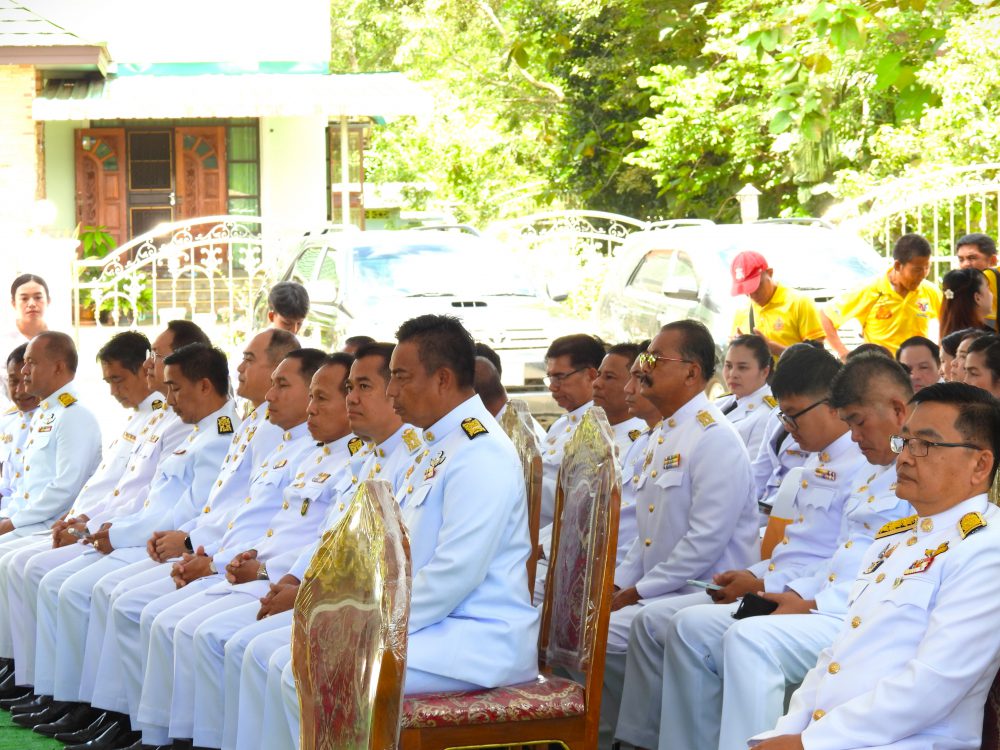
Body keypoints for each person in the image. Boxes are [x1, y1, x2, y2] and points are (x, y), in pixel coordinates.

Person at [254, 314, 539, 750]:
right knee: (288, 658)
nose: (391, 391)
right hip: (429, 626)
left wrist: (365, 624)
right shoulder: (436, 445)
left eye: (401, 377)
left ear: (442, 379)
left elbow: (453, 575)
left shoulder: (479, 452)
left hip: (476, 639)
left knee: (316, 670)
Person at [607, 345, 865, 749]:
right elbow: (795, 550)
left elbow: (845, 559)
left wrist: (780, 590)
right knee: (672, 625)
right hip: (781, 586)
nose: (788, 427)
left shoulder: (864, 464)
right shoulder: (818, 460)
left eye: (793, 415)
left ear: (832, 406)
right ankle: (662, 743)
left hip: (816, 600)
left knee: (715, 634)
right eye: (783, 416)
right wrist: (754, 576)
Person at [652, 353, 913, 750]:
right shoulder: (871, 471)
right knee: (691, 627)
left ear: (897, 410)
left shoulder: (914, 474)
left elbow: (900, 567)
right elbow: (839, 557)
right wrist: (794, 595)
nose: (854, 436)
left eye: (858, 422)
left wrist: (808, 602)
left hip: (855, 613)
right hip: (825, 599)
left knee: (749, 639)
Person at [751, 382, 1000, 750]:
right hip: (839, 738)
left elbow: (931, 686)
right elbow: (835, 657)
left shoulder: (986, 548)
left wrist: (808, 742)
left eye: (925, 445)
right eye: (904, 441)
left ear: (980, 465)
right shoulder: (890, 541)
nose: (904, 458)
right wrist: (784, 733)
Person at [98, 350, 322, 748]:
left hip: (270, 578)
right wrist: (207, 554)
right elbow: (242, 515)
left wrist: (221, 562)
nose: (270, 393)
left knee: (199, 632)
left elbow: (308, 539)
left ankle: (180, 737)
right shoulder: (292, 443)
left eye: (281, 384)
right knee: (150, 612)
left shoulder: (318, 448)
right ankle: (145, 728)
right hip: (244, 566)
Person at [219, 347, 416, 750]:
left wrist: (312, 598)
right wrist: (298, 582)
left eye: (363, 387)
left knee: (279, 660)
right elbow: (331, 539)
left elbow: (412, 568)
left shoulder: (411, 456)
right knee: (255, 650)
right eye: (350, 388)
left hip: (386, 615)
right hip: (338, 597)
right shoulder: (372, 457)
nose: (352, 399)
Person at [600, 320, 758, 743]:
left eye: (655, 359)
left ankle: (635, 738)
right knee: (587, 625)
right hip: (664, 588)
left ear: (691, 372)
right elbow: (645, 535)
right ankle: (615, 733)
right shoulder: (664, 435)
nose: (643, 367)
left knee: (605, 633)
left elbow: (705, 540)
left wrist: (638, 591)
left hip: (704, 589)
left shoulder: (713, 437)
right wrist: (619, 584)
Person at [0, 332, 101, 539]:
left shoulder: (74, 415)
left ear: (58, 368)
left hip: (52, 525)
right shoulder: (46, 412)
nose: (24, 370)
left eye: (31, 363)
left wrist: (12, 523)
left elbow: (65, 489)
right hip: (27, 518)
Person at [822, 233, 942, 358]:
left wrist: (940, 352)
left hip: (915, 368)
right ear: (897, 266)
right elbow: (826, 316)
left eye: (927, 267)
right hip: (881, 367)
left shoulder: (930, 291)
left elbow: (948, 320)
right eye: (917, 270)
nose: (923, 274)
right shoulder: (869, 289)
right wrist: (843, 354)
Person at [539, 333, 605, 527]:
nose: (553, 387)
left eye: (560, 377)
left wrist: (519, 482)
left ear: (591, 375)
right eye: (550, 377)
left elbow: (580, 502)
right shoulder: (560, 425)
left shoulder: (601, 426)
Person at [730, 251, 824, 356]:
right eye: (746, 290)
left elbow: (818, 358)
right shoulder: (741, 313)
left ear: (770, 273)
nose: (752, 295)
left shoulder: (800, 303)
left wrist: (774, 349)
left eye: (756, 286)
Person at [715, 335, 777, 458]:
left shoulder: (769, 415)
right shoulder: (720, 402)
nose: (732, 374)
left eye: (742, 367)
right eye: (728, 366)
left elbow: (753, 466)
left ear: (764, 372)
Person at [592, 343, 648, 460]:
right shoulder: (587, 430)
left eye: (609, 377)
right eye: (598, 375)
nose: (596, 383)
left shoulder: (644, 440)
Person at [955, 232, 999, 329]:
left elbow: (988, 325)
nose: (965, 264)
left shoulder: (987, 277)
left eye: (972, 258)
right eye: (961, 259)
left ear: (992, 260)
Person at [939, 267, 993, 338]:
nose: (991, 294)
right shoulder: (983, 340)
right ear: (977, 298)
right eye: (988, 288)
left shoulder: (948, 338)